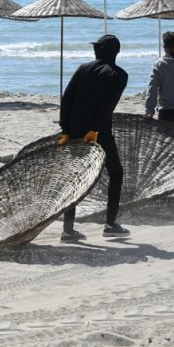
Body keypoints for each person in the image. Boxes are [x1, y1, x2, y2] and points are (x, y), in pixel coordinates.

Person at [58, 33, 129, 242]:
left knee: (75, 177)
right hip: (99, 132)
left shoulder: (83, 68)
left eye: (98, 47)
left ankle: (68, 230)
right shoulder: (119, 75)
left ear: (105, 51)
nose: (95, 50)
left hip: (74, 130)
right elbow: (108, 106)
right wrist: (95, 129)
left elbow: (67, 98)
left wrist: (65, 129)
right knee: (115, 173)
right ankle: (110, 224)